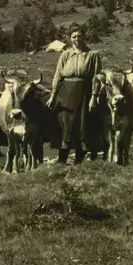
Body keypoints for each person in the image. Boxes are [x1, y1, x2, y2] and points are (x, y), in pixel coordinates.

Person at [47, 29, 102, 165]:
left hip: (84, 93)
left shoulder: (92, 55)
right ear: (70, 39)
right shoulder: (66, 54)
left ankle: (78, 160)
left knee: (82, 125)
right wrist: (53, 95)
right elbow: (58, 75)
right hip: (65, 92)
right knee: (65, 124)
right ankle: (62, 159)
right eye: (74, 36)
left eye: (79, 36)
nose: (77, 39)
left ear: (84, 37)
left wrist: (94, 97)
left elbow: (97, 77)